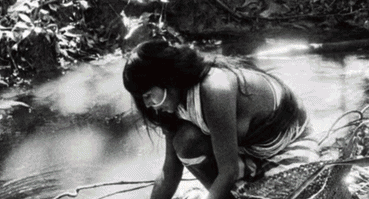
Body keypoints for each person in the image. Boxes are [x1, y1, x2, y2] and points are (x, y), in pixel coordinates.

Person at [122, 40, 319, 199]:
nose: (147, 105)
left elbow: (229, 171)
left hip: (286, 148)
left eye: (148, 95)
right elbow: (170, 171)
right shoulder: (169, 104)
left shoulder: (213, 89)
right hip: (247, 153)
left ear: (165, 80)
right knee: (185, 142)